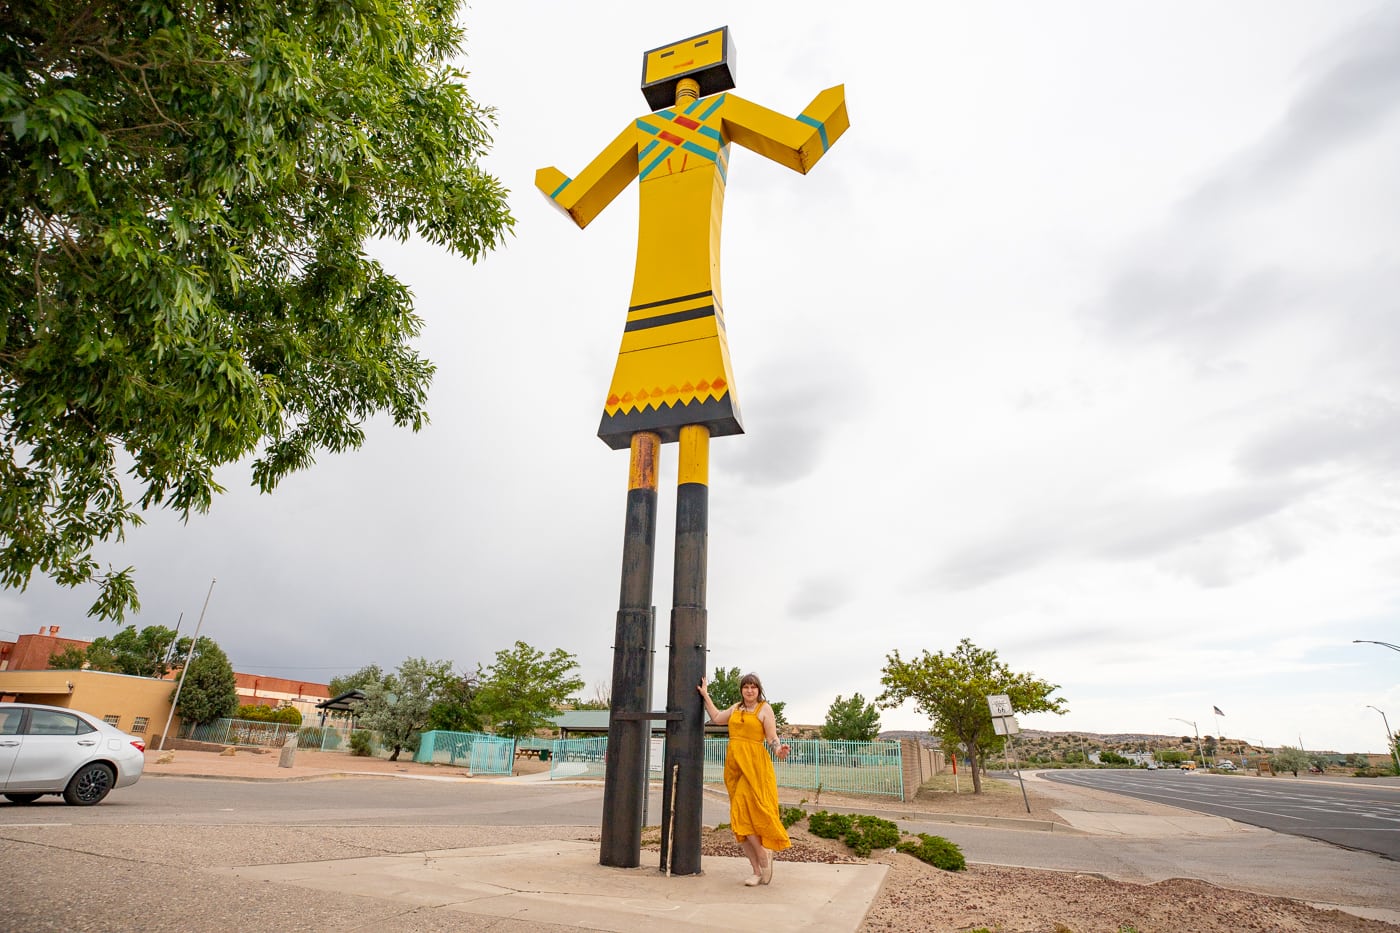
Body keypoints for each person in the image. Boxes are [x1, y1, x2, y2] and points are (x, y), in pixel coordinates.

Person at [698, 672, 791, 885]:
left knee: (745, 810)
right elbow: (716, 718)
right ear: (741, 690)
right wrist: (706, 695)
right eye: (746, 687)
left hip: (755, 766)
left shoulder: (764, 709)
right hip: (735, 767)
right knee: (739, 820)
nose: (749, 690)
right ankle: (757, 871)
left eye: (753, 687)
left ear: (759, 690)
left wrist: (779, 751)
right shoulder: (736, 708)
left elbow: (772, 738)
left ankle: (762, 854)